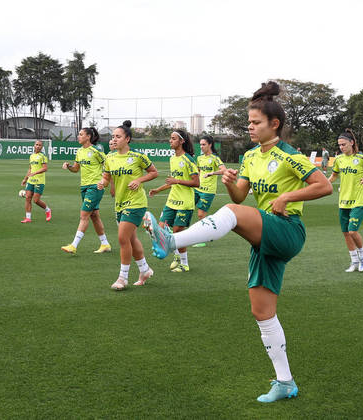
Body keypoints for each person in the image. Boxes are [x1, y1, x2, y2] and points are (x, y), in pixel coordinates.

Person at [142, 82, 332, 402]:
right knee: (262, 311)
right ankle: (285, 382)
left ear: (275, 124)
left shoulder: (290, 156)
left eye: (256, 123)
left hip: (287, 230)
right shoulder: (249, 157)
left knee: (231, 213)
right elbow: (241, 197)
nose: (251, 128)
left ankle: (171, 241)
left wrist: (288, 195)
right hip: (264, 234)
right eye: (249, 123)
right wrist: (231, 182)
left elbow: (323, 185)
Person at [97, 120, 158, 290]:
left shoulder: (138, 157)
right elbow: (107, 177)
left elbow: (154, 172)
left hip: (136, 203)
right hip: (120, 204)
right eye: (112, 137)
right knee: (131, 238)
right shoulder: (109, 158)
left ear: (127, 139)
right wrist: (102, 182)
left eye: (118, 136)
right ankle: (145, 269)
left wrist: (139, 180)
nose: (114, 140)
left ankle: (122, 278)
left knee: (122, 238)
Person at [148, 129, 199, 272]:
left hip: (185, 202)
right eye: (170, 138)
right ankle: (176, 255)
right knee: (161, 227)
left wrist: (177, 180)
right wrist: (158, 190)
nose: (170, 141)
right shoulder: (172, 158)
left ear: (182, 141)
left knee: (177, 232)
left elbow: (196, 183)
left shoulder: (188, 159)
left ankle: (184, 264)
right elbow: (172, 182)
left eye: (173, 138)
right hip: (172, 201)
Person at [328, 129, 363, 272]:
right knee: (346, 233)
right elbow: (334, 176)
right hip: (344, 201)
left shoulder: (362, 158)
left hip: (359, 200)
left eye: (343, 144)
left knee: (353, 231)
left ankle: (362, 256)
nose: (341, 147)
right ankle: (354, 261)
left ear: (352, 143)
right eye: (339, 145)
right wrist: (325, 183)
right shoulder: (339, 159)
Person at [60, 126, 112, 254]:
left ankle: (73, 245)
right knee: (94, 215)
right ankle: (105, 244)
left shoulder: (95, 151)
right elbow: (76, 169)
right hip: (84, 186)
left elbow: (109, 164)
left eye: (81, 134)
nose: (78, 136)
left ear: (88, 137)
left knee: (84, 215)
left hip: (95, 186)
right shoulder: (79, 152)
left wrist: (105, 181)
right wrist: (69, 166)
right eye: (79, 134)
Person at [192, 134, 228, 247]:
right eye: (200, 144)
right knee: (185, 206)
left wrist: (212, 173)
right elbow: (198, 171)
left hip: (208, 191)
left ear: (210, 145)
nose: (201, 147)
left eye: (204, 144)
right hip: (197, 189)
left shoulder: (215, 158)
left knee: (200, 214)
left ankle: (202, 238)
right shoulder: (199, 158)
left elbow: (224, 170)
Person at [20, 140, 51, 223]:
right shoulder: (31, 156)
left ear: (42, 147)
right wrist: (25, 179)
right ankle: (28, 218)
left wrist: (35, 173)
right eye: (36, 145)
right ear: (34, 146)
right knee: (27, 198)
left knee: (36, 200)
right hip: (31, 180)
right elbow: (30, 168)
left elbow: (45, 168)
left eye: (40, 145)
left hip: (39, 181)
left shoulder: (43, 156)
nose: (38, 146)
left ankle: (47, 210)